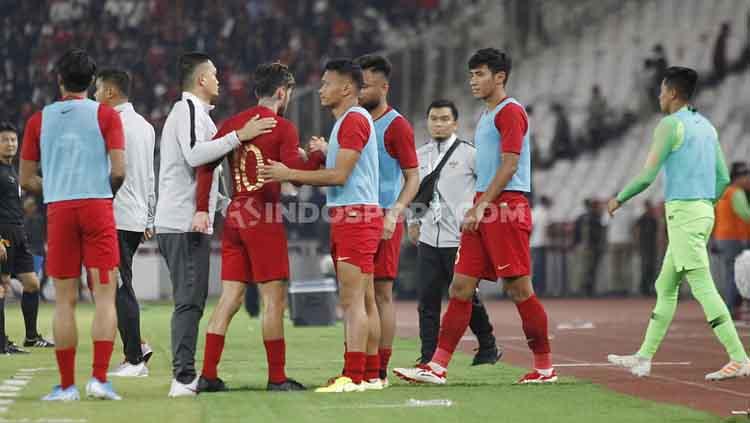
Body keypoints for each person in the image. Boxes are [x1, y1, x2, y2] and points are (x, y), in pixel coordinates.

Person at [393, 48, 556, 385]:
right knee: (461, 286)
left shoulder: (510, 112)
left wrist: (483, 205)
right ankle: (436, 366)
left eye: (480, 74)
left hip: (505, 205)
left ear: (500, 77)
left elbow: (510, 164)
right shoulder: (486, 115)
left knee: (519, 289)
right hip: (484, 204)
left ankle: (544, 368)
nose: (473, 81)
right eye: (471, 75)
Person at [607, 66, 750, 380]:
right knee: (665, 285)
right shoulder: (707, 126)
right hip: (700, 210)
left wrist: (619, 198)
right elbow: (724, 177)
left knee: (702, 286)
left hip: (684, 214)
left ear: (672, 92)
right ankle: (643, 358)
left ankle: (739, 357)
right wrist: (705, 204)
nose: (659, 96)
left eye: (661, 90)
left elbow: (647, 176)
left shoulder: (669, 125)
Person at [195, 62, 324, 393]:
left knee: (229, 298)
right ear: (282, 92)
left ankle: (208, 375)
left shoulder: (234, 124)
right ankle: (277, 378)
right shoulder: (282, 127)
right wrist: (317, 158)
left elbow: (207, 165)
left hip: (236, 214)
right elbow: (293, 172)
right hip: (263, 215)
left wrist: (200, 208)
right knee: (273, 300)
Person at [154, 51, 276, 397]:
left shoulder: (198, 114)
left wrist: (227, 204)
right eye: (215, 74)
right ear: (201, 79)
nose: (220, 80)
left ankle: (184, 373)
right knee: (189, 301)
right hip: (182, 222)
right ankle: (182, 378)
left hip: (185, 220)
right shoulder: (189, 110)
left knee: (192, 299)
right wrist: (240, 135)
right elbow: (195, 156)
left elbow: (199, 169)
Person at [260, 59, 383, 393]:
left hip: (355, 217)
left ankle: (353, 376)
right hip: (356, 215)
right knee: (364, 299)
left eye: (327, 83)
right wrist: (328, 151)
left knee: (352, 301)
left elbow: (339, 176)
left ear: (346, 88)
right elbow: (351, 167)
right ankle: (370, 374)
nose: (320, 90)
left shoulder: (352, 120)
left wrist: (290, 174)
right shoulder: (350, 122)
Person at [19, 49, 125, 400]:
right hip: (97, 207)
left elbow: (26, 178)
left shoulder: (39, 120)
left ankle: (66, 386)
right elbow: (120, 170)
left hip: (60, 210)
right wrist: (100, 193)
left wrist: (57, 189)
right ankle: (99, 380)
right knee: (105, 297)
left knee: (64, 301)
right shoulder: (106, 115)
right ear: (92, 82)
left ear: (58, 80)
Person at [408, 99, 499, 366]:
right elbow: (414, 190)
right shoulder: (419, 154)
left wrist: (478, 218)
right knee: (426, 300)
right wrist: (411, 222)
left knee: (464, 296)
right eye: (434, 119)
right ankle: (427, 358)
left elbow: (487, 188)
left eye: (444, 119)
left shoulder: (469, 154)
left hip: (459, 238)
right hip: (428, 236)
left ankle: (488, 344)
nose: (438, 123)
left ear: (455, 123)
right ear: (427, 122)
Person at [355, 54, 419, 388]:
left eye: (365, 86)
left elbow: (413, 176)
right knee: (357, 295)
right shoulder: (356, 121)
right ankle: (360, 366)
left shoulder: (397, 126)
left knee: (380, 294)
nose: (360, 91)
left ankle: (379, 368)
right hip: (356, 216)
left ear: (384, 86)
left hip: (381, 218)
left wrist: (394, 213)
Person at [93, 68, 156, 377]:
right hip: (134, 215)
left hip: (114, 213)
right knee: (117, 284)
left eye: (97, 90)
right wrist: (149, 215)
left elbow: (111, 171)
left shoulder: (109, 124)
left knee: (117, 287)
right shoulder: (145, 126)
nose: (93, 96)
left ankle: (134, 360)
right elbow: (149, 175)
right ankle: (138, 345)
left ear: (109, 93)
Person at [0, 121, 54, 355]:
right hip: (3, 233)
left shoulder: (14, 170)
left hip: (18, 232)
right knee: (2, 287)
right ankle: (1, 343)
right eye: (5, 139)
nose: (10, 143)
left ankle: (31, 336)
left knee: (32, 283)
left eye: (13, 139)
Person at [712, 162, 750, 318]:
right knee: (738, 274)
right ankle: (730, 308)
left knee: (730, 274)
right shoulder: (736, 193)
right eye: (746, 176)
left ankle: (729, 308)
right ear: (739, 178)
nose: (748, 180)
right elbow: (745, 213)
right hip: (735, 238)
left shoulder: (723, 192)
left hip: (722, 237)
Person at [634, 200, 659, 296]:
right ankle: (643, 288)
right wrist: (637, 244)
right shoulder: (642, 219)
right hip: (644, 246)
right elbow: (637, 231)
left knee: (652, 267)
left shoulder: (653, 219)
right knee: (645, 266)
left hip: (652, 247)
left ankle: (649, 287)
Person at [531, 195, 552, 296]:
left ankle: (540, 289)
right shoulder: (537, 212)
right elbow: (532, 226)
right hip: (535, 243)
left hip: (540, 243)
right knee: (538, 268)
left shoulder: (543, 212)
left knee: (540, 268)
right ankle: (537, 289)